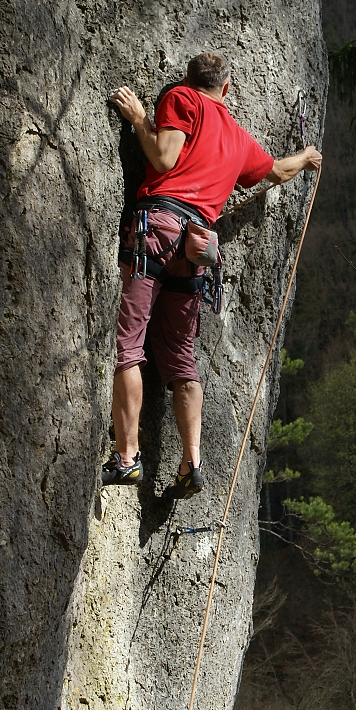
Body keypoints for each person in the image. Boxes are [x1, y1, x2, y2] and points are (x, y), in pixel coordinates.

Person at [104, 51, 321, 495]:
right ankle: (191, 461)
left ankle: (127, 457)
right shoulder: (239, 138)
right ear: (226, 89)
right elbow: (277, 171)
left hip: (158, 225)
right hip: (198, 245)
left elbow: (164, 159)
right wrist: (306, 156)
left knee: (129, 343)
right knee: (181, 354)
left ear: (189, 80)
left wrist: (140, 117)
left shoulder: (182, 99)